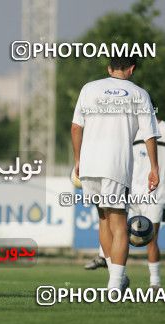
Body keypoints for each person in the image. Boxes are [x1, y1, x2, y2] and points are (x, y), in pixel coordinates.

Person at [71, 56, 159, 292]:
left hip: (90, 165)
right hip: (116, 165)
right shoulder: (139, 94)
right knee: (119, 223)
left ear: (109, 68)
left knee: (103, 220)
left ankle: (116, 278)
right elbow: (150, 134)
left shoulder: (89, 89)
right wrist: (155, 167)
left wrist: (78, 160)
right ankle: (114, 285)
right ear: (131, 69)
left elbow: (76, 127)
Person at [128, 116, 165, 290]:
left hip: (156, 195)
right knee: (121, 236)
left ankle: (155, 283)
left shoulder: (164, 129)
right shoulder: (134, 131)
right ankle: (119, 278)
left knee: (152, 239)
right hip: (133, 195)